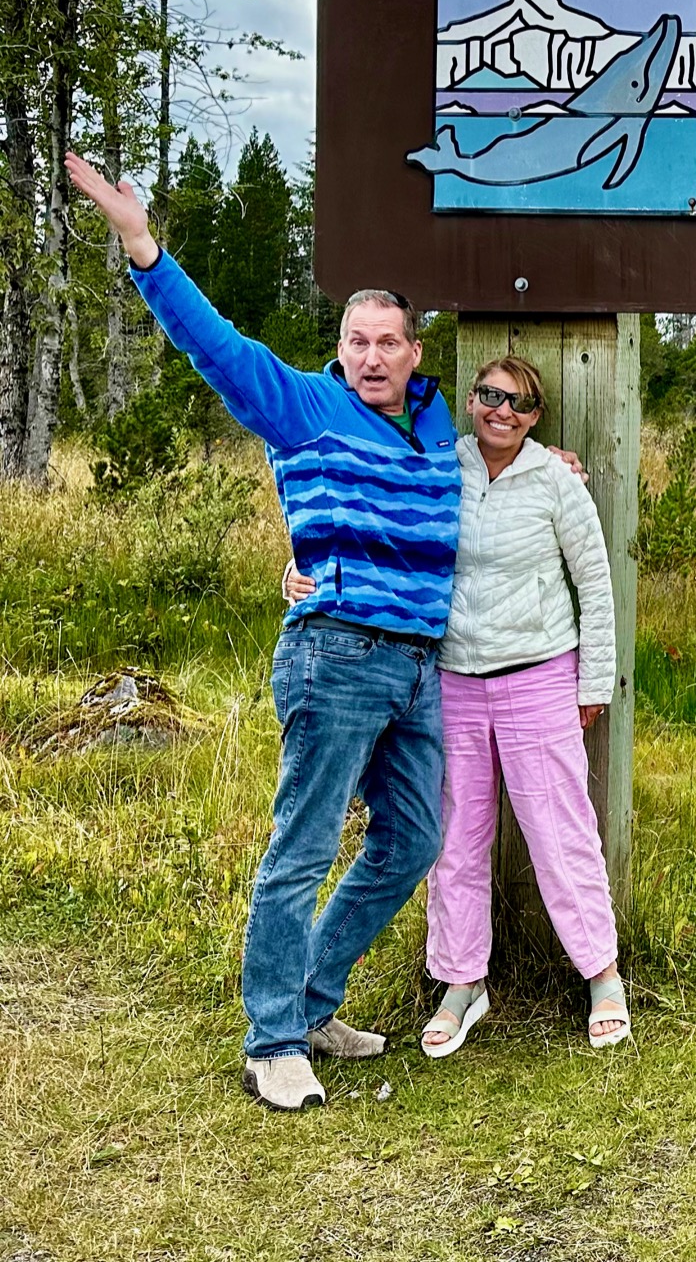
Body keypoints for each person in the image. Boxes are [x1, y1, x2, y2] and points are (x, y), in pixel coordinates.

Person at [64, 152, 461, 1113]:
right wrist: (142, 246)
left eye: (388, 342)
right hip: (336, 653)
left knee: (412, 838)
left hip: (416, 667)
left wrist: (551, 460)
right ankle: (273, 1037)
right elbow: (219, 348)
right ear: (341, 346)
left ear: (415, 350)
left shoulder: (439, 428)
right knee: (304, 843)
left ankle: (313, 1001)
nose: (371, 355)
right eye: (356, 339)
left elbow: (492, 472)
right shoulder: (305, 406)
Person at [287, 352, 629, 1052]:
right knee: (456, 839)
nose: (502, 410)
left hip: (538, 675)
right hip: (452, 681)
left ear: (536, 417)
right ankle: (462, 981)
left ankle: (602, 973)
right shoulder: (440, 461)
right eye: (489, 396)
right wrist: (300, 566)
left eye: (520, 403)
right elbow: (369, 513)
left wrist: (593, 681)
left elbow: (594, 583)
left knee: (559, 831)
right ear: (470, 401)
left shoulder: (555, 481)